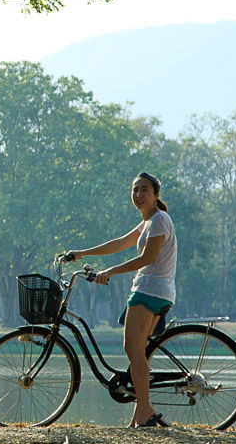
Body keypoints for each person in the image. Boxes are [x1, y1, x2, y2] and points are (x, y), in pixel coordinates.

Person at [62, 172, 177, 428]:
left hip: (149, 290)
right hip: (156, 290)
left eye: (144, 190)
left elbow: (147, 259)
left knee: (133, 350)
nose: (138, 195)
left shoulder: (159, 221)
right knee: (138, 353)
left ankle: (145, 411)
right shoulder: (148, 222)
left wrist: (111, 271)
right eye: (135, 190)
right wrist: (83, 252)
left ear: (156, 195)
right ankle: (140, 413)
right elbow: (120, 243)